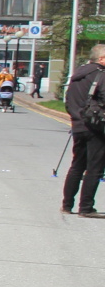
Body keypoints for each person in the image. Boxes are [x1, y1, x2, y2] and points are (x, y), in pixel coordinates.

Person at [63, 43, 105, 217]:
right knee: (95, 167)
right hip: (96, 126)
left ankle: (67, 204)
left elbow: (68, 101)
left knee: (77, 165)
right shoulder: (101, 75)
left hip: (78, 124)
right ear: (102, 59)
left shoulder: (78, 75)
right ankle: (86, 207)